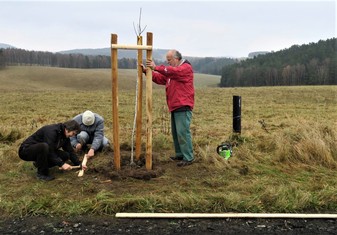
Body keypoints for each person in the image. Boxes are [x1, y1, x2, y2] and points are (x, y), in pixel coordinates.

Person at [143, 49, 195, 167]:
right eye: (167, 60)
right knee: (176, 132)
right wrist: (147, 72)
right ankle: (180, 154)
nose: (168, 63)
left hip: (183, 104)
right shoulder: (172, 72)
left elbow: (173, 72)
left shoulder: (185, 68)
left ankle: (188, 157)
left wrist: (156, 67)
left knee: (182, 132)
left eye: (169, 60)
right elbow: (161, 79)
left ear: (176, 59)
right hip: (175, 105)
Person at [18, 120, 85, 181]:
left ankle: (39, 163)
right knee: (43, 146)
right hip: (25, 151)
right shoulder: (52, 131)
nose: (72, 136)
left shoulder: (65, 136)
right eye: (73, 133)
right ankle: (42, 174)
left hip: (43, 151)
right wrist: (62, 164)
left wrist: (79, 163)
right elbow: (50, 150)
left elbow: (70, 151)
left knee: (65, 155)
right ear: (67, 129)